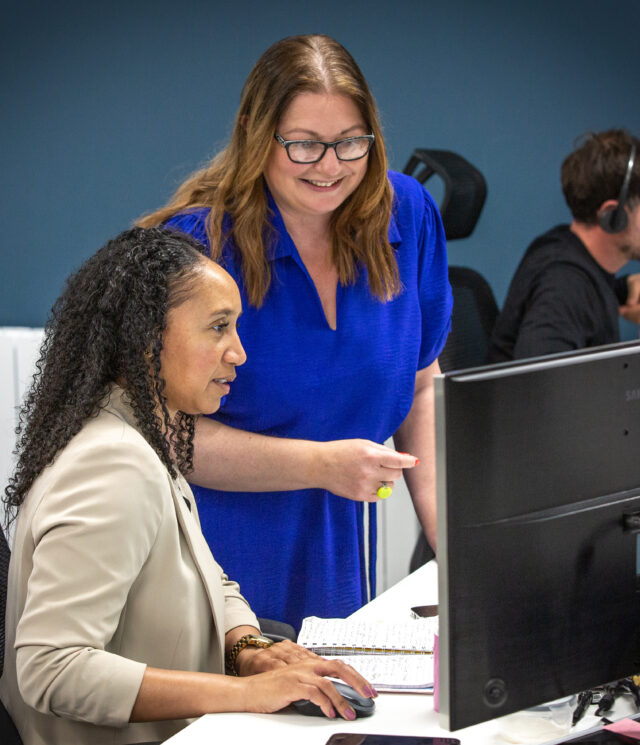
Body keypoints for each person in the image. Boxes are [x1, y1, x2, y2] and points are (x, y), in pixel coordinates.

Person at [0, 228, 375, 745]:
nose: (239, 353)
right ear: (145, 338)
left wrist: (248, 648)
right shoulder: (113, 463)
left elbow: (207, 578)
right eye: (218, 328)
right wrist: (245, 693)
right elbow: (52, 671)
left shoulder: (144, 434)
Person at [138, 34, 453, 630]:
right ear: (256, 132)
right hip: (217, 560)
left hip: (338, 561)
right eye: (305, 145)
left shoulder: (406, 214)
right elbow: (164, 435)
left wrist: (450, 538)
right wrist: (317, 465)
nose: (331, 166)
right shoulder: (196, 249)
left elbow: (422, 384)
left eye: (350, 143)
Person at [489, 129, 640, 363]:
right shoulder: (563, 286)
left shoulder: (563, 247)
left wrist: (625, 288)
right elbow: (541, 386)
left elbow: (590, 298)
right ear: (613, 214)